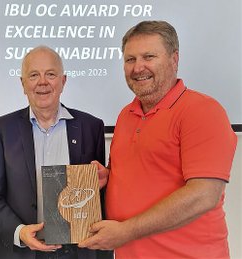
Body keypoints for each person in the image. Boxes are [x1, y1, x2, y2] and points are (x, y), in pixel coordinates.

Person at [78, 20, 238, 258]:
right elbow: (148, 174)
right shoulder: (126, 114)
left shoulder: (202, 111)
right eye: (130, 59)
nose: (138, 67)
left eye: (149, 56)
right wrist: (109, 177)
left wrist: (126, 232)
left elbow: (203, 195)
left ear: (174, 59)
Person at [0, 46, 112, 259]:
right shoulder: (3, 129)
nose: (42, 82)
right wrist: (19, 232)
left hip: (78, 251)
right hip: (23, 252)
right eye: (34, 75)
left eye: (50, 74)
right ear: (23, 84)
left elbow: (101, 197)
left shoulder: (91, 127)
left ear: (63, 81)